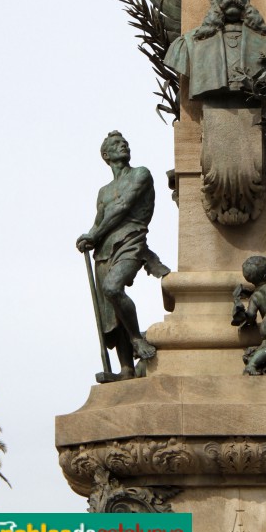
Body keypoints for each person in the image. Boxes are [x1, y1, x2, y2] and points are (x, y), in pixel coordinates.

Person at [76, 131, 170, 380]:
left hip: (131, 240)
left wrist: (94, 234)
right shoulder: (103, 191)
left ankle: (137, 338)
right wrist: (89, 237)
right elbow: (99, 221)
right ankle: (126, 369)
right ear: (106, 155)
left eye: (124, 142)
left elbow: (123, 207)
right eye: (116, 144)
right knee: (110, 311)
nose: (124, 145)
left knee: (112, 288)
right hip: (104, 249)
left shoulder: (140, 174)